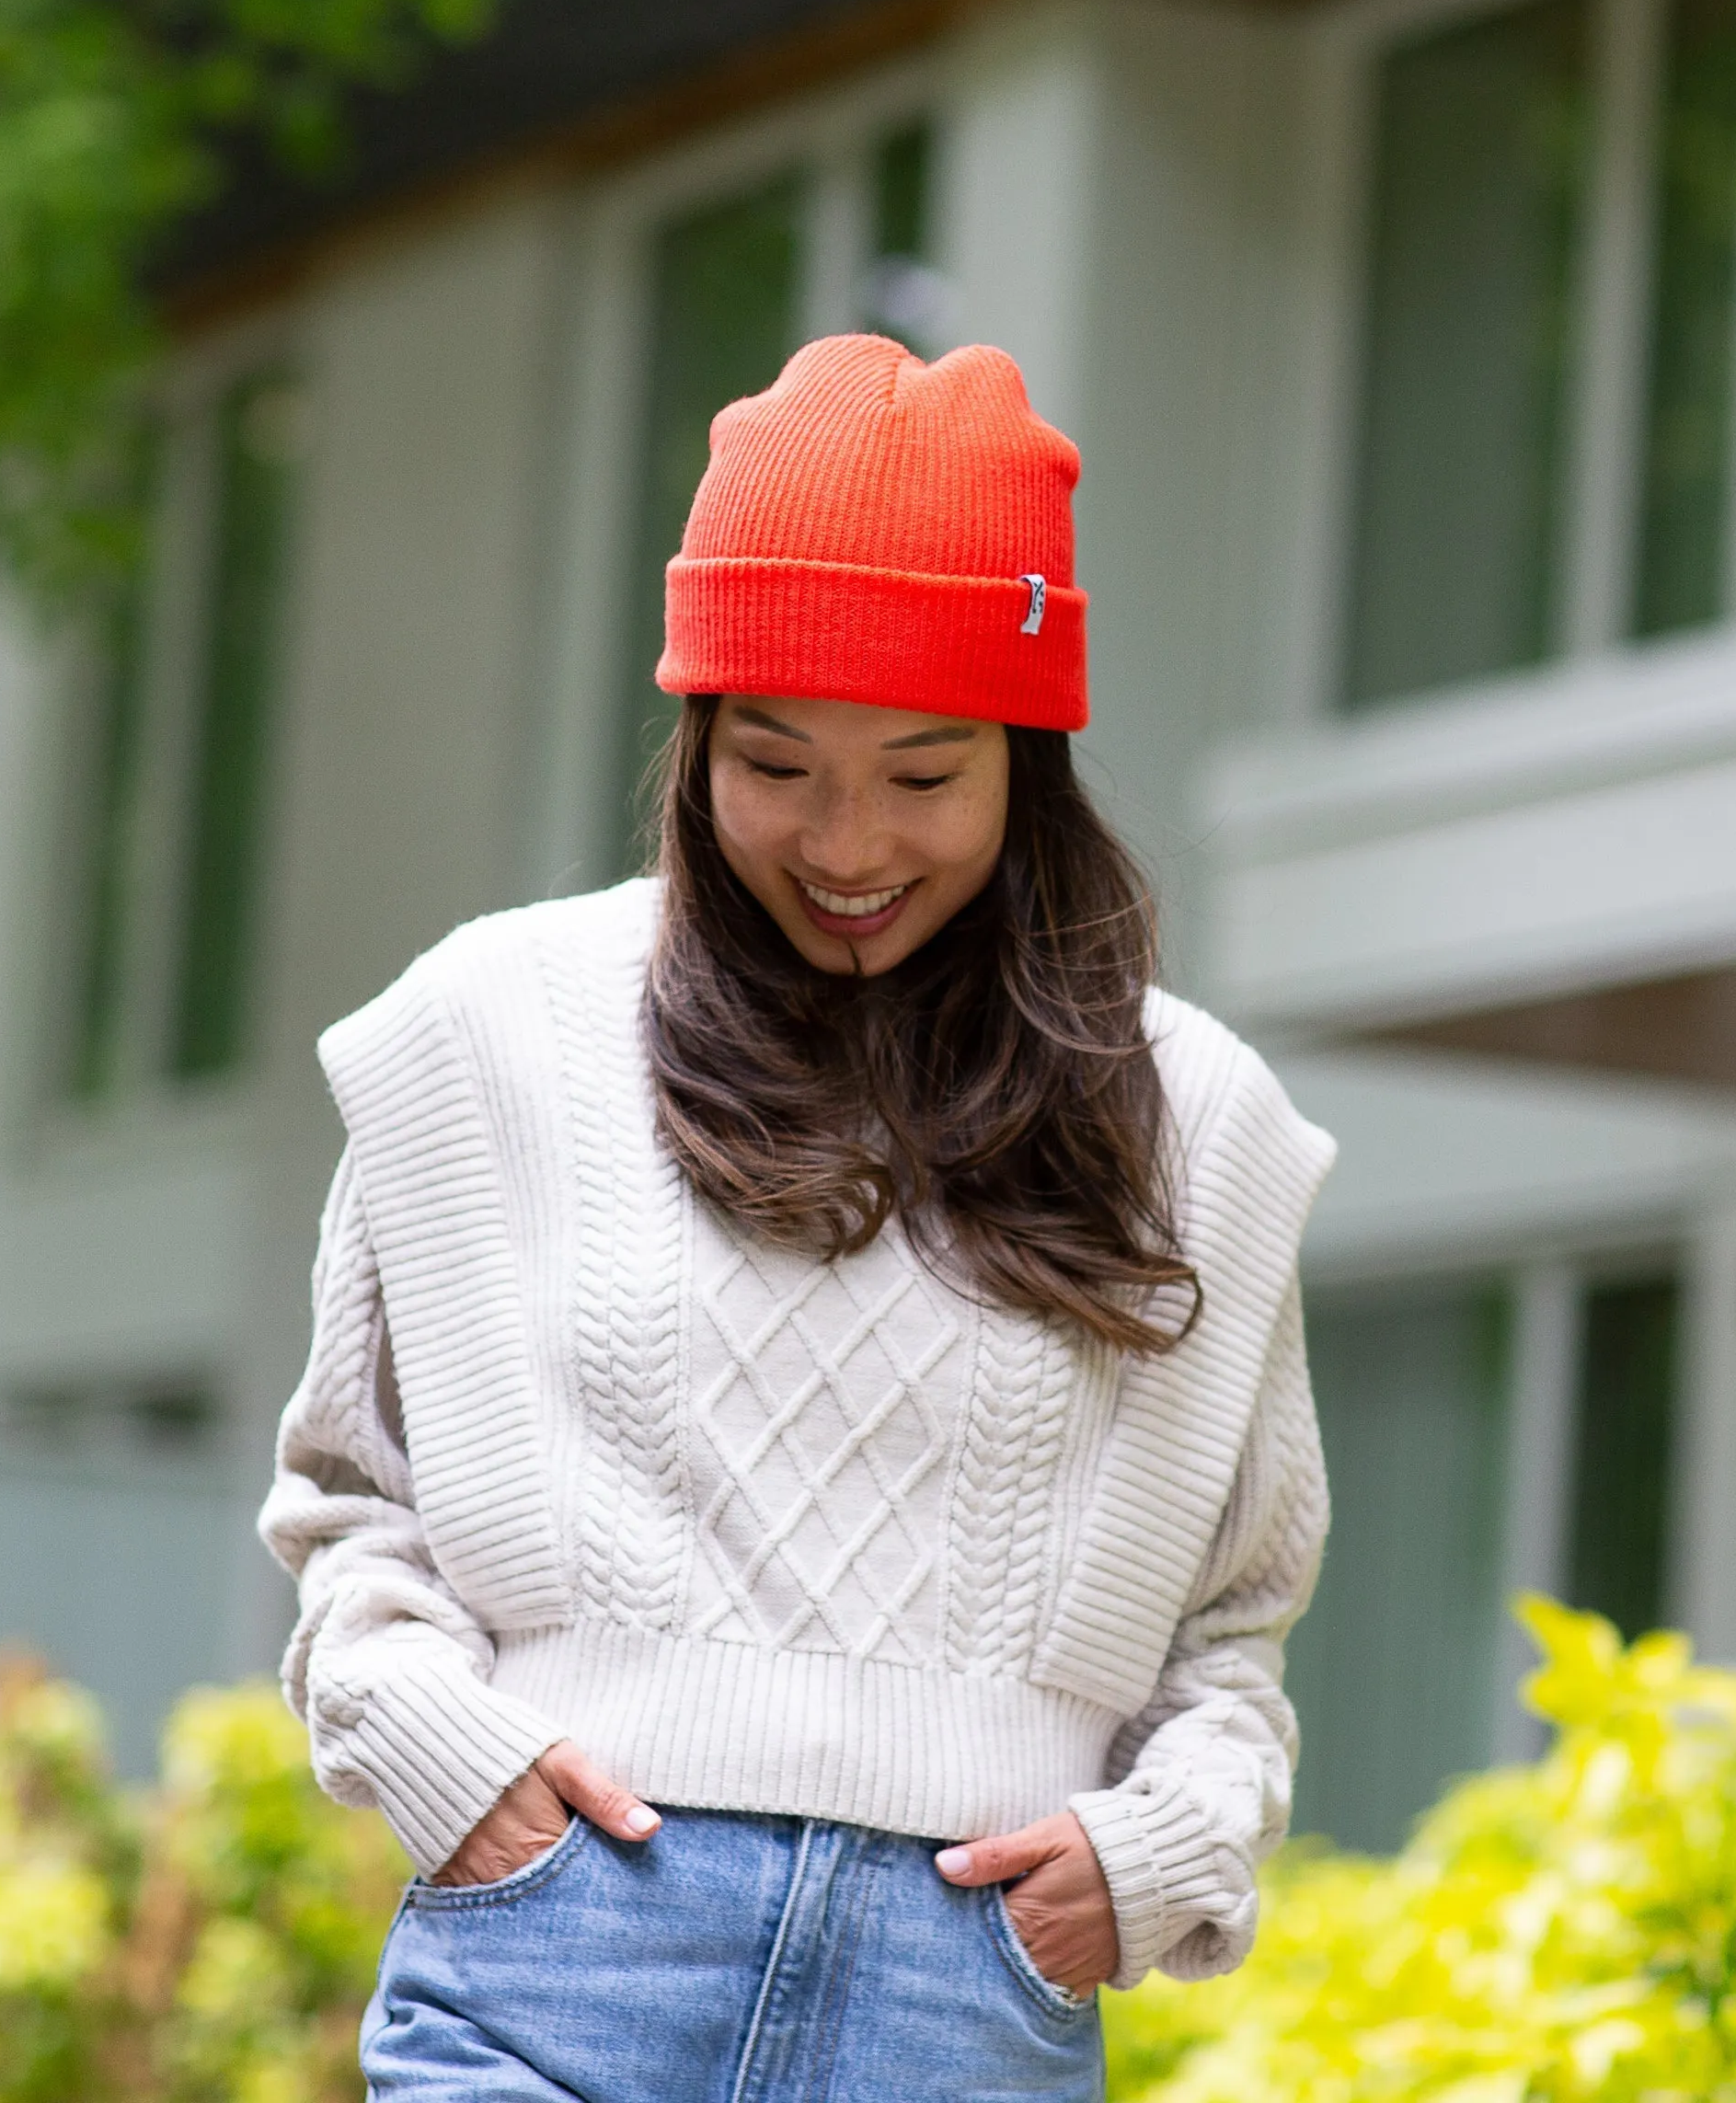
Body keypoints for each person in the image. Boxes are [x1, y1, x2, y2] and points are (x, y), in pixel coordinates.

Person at [261, 333, 1335, 2099]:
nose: (847, 843)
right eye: (777, 764)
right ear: (697, 741)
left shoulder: (1196, 1121)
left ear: (1028, 761)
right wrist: (444, 1755)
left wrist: (1151, 1865)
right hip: (565, 1951)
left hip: (963, 2002)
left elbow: (1232, 1633)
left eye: (924, 777)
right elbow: (355, 1503)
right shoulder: (487, 1034)